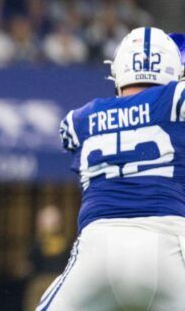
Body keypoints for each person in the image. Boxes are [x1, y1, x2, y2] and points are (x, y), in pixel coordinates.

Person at [40, 27, 185, 310]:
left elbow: (69, 137)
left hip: (97, 250)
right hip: (168, 244)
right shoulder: (177, 101)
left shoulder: (78, 119)